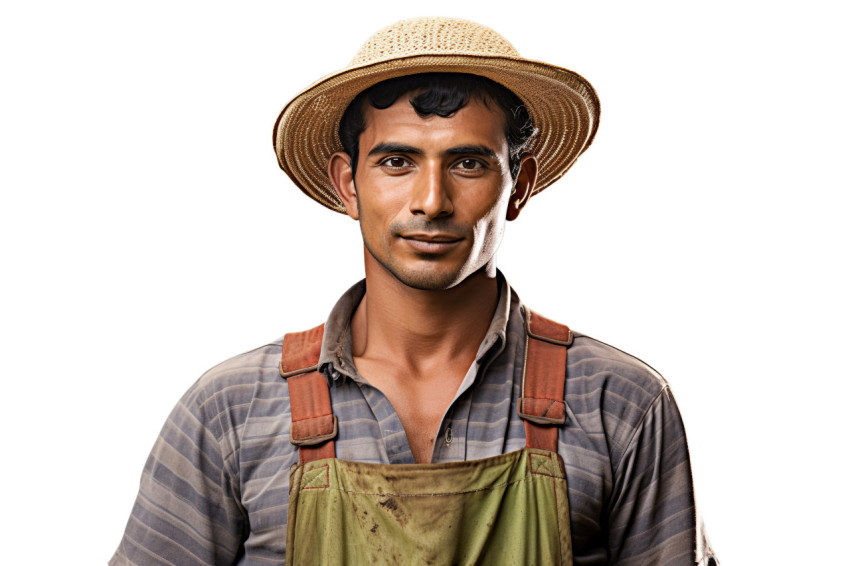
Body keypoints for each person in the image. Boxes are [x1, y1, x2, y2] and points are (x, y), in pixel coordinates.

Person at [111, 17, 718, 566]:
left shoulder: (620, 404)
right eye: (397, 162)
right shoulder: (233, 411)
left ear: (520, 185)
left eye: (469, 164)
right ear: (349, 183)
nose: (431, 200)